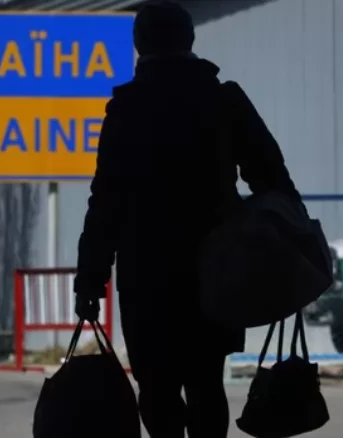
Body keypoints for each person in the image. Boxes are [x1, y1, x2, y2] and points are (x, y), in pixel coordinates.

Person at [73, 2, 301, 438]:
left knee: (156, 388)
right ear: (190, 40)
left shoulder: (126, 110)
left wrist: (89, 280)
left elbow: (105, 203)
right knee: (206, 382)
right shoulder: (223, 100)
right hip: (218, 270)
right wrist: (288, 248)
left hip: (146, 276)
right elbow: (273, 179)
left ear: (139, 45)